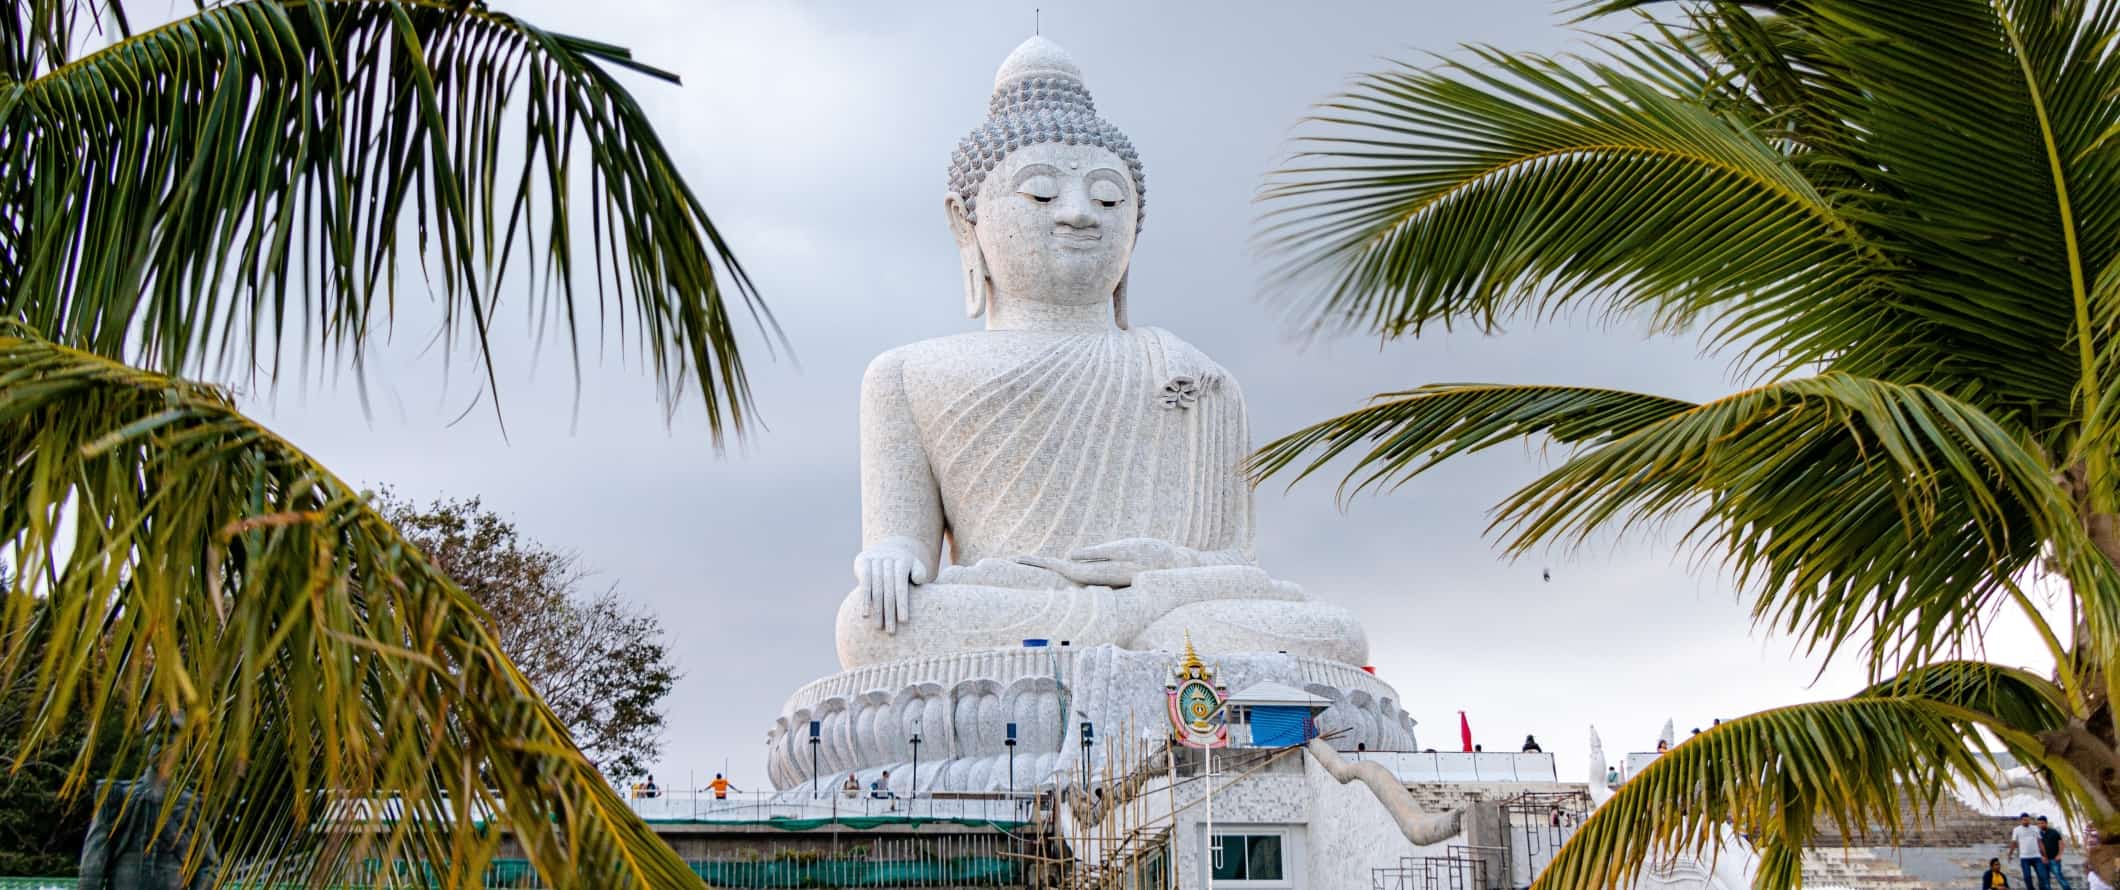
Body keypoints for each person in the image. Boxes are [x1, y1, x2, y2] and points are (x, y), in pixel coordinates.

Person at [2039, 816, 2074, 890]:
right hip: (2043, 861)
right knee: (2045, 881)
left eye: (2042, 823)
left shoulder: (2054, 832)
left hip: (2054, 860)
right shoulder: (2038, 834)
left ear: (2046, 823)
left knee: (2059, 877)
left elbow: (2061, 843)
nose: (2041, 825)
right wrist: (2041, 857)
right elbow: (2037, 846)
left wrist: (2059, 855)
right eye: (2039, 824)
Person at [2016, 813, 2047, 890]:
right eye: (2024, 820)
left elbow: (2040, 842)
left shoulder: (2035, 828)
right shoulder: (2017, 830)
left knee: (2042, 875)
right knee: (2027, 877)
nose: (2026, 821)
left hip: (2036, 856)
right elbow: (2015, 842)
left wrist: (2044, 855)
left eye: (2027, 819)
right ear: (2021, 820)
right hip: (2024, 857)